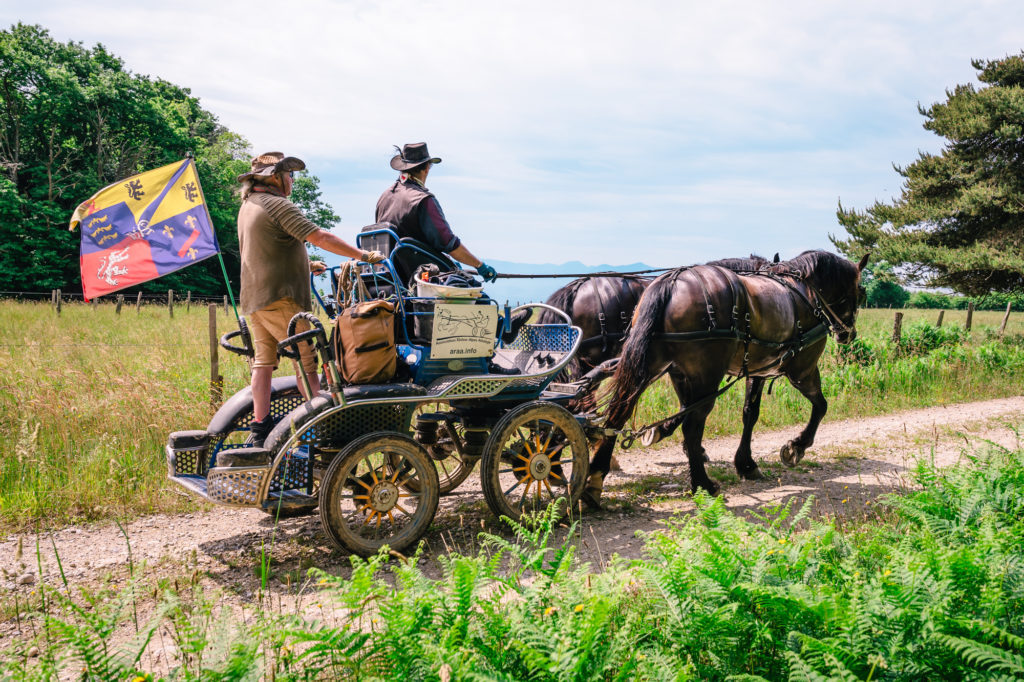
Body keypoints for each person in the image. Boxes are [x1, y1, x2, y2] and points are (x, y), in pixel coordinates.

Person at [236, 151, 383, 447]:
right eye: (289, 174)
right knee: (307, 362)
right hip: (283, 298)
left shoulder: (248, 205)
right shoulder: (278, 204)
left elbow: (268, 250)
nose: (292, 179)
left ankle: (260, 427)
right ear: (275, 177)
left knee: (263, 363)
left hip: (255, 298)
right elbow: (320, 237)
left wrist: (305, 265)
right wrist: (363, 255)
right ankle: (320, 427)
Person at [375, 142, 497, 283]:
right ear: (427, 168)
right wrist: (480, 266)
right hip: (421, 281)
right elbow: (450, 245)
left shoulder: (384, 197)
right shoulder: (423, 200)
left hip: (391, 279)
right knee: (482, 300)